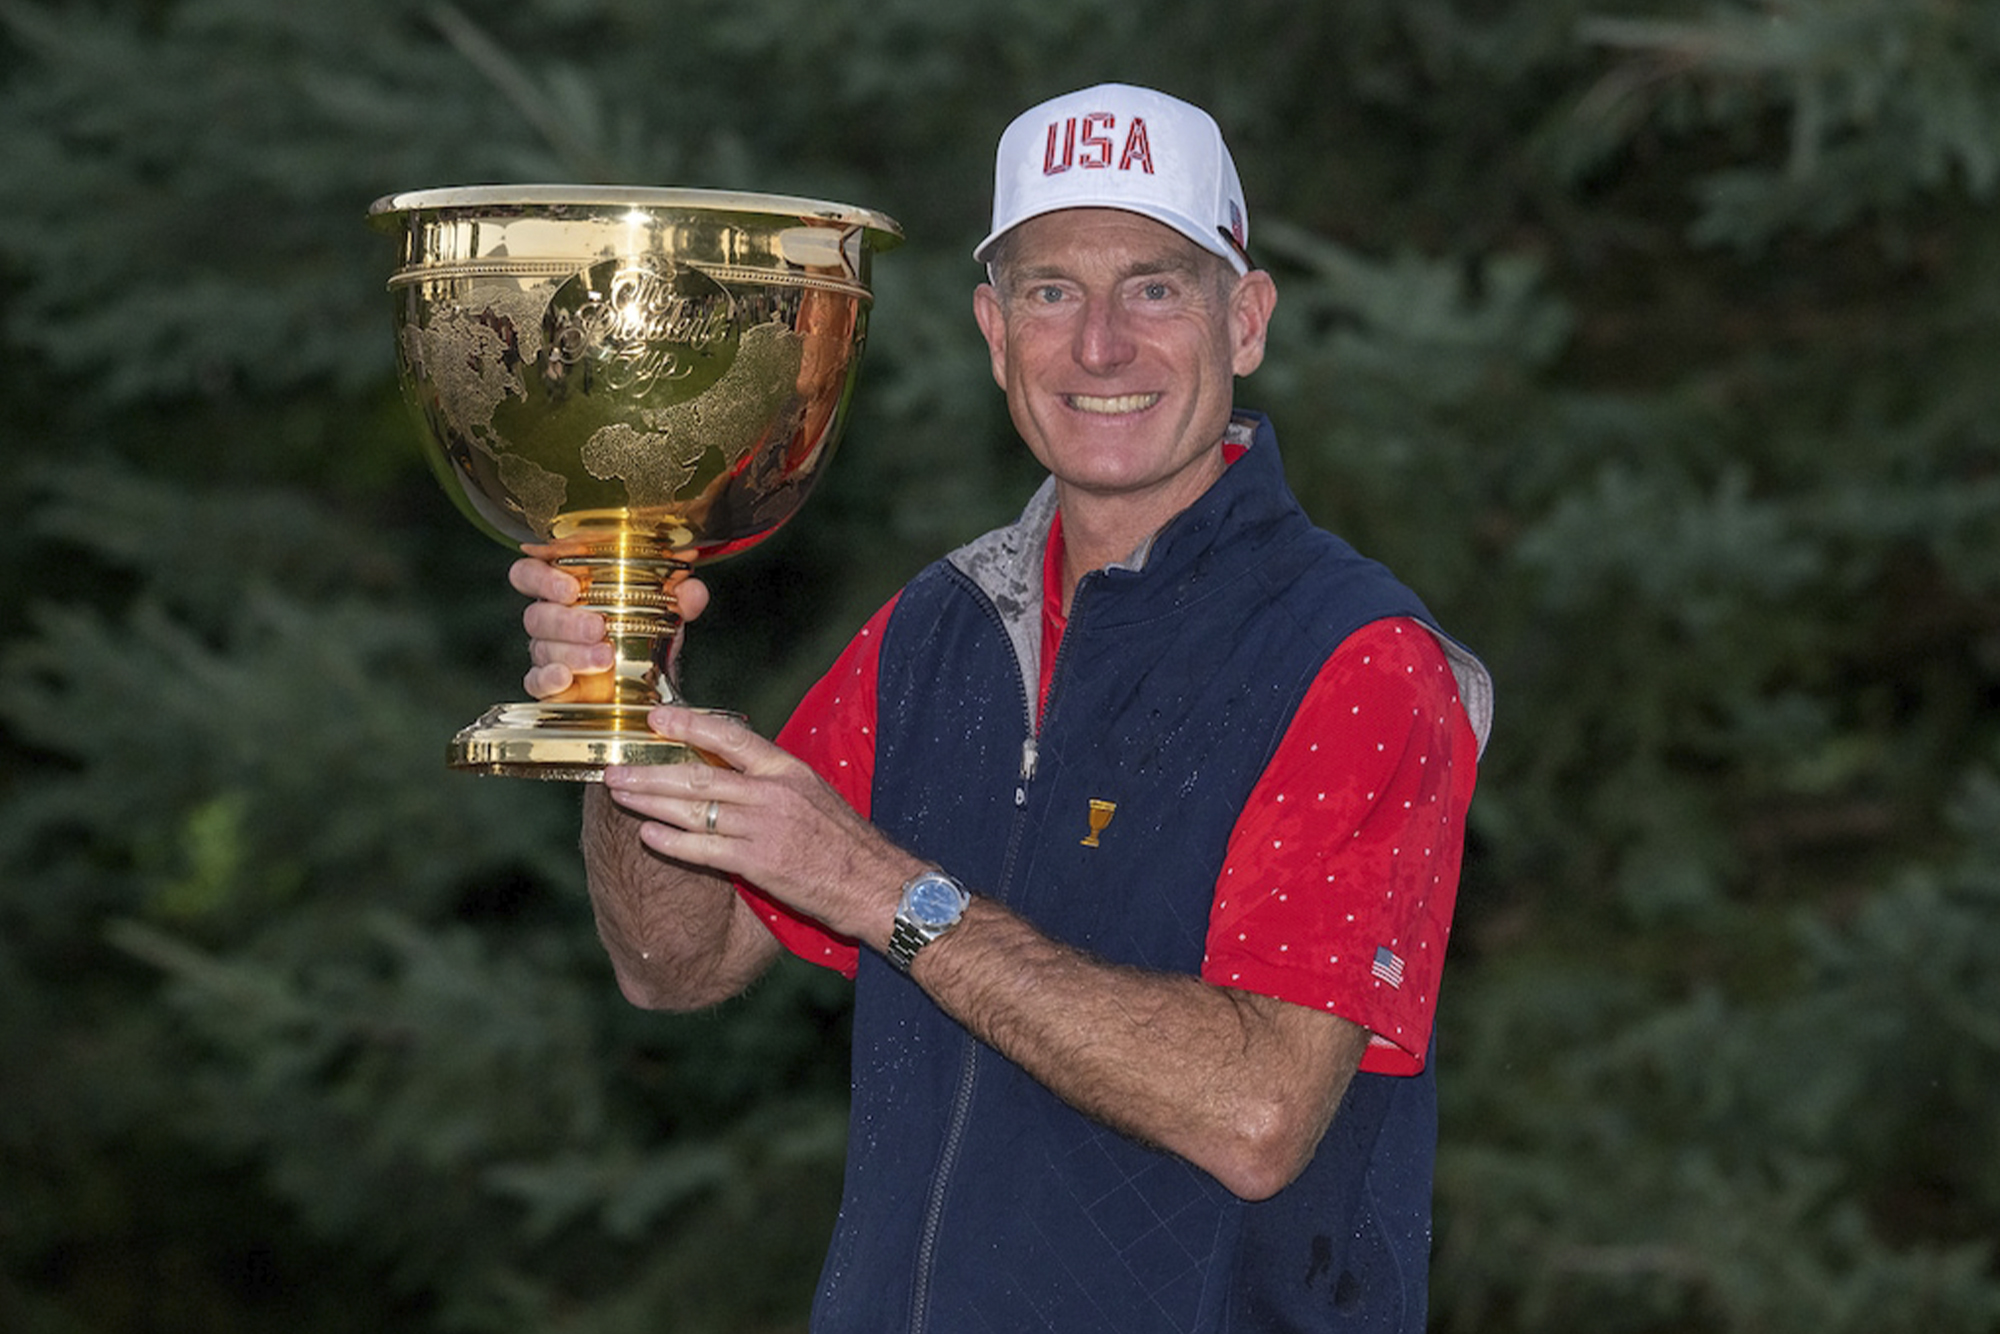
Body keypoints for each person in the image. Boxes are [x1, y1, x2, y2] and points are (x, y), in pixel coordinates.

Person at [512, 82, 1494, 1333]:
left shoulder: (1356, 658)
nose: (1098, 345)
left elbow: (1257, 1112)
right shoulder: (938, 629)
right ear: (991, 330)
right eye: (1047, 291)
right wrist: (628, 697)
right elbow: (674, 959)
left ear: (1242, 320)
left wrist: (882, 891)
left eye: (1152, 286)